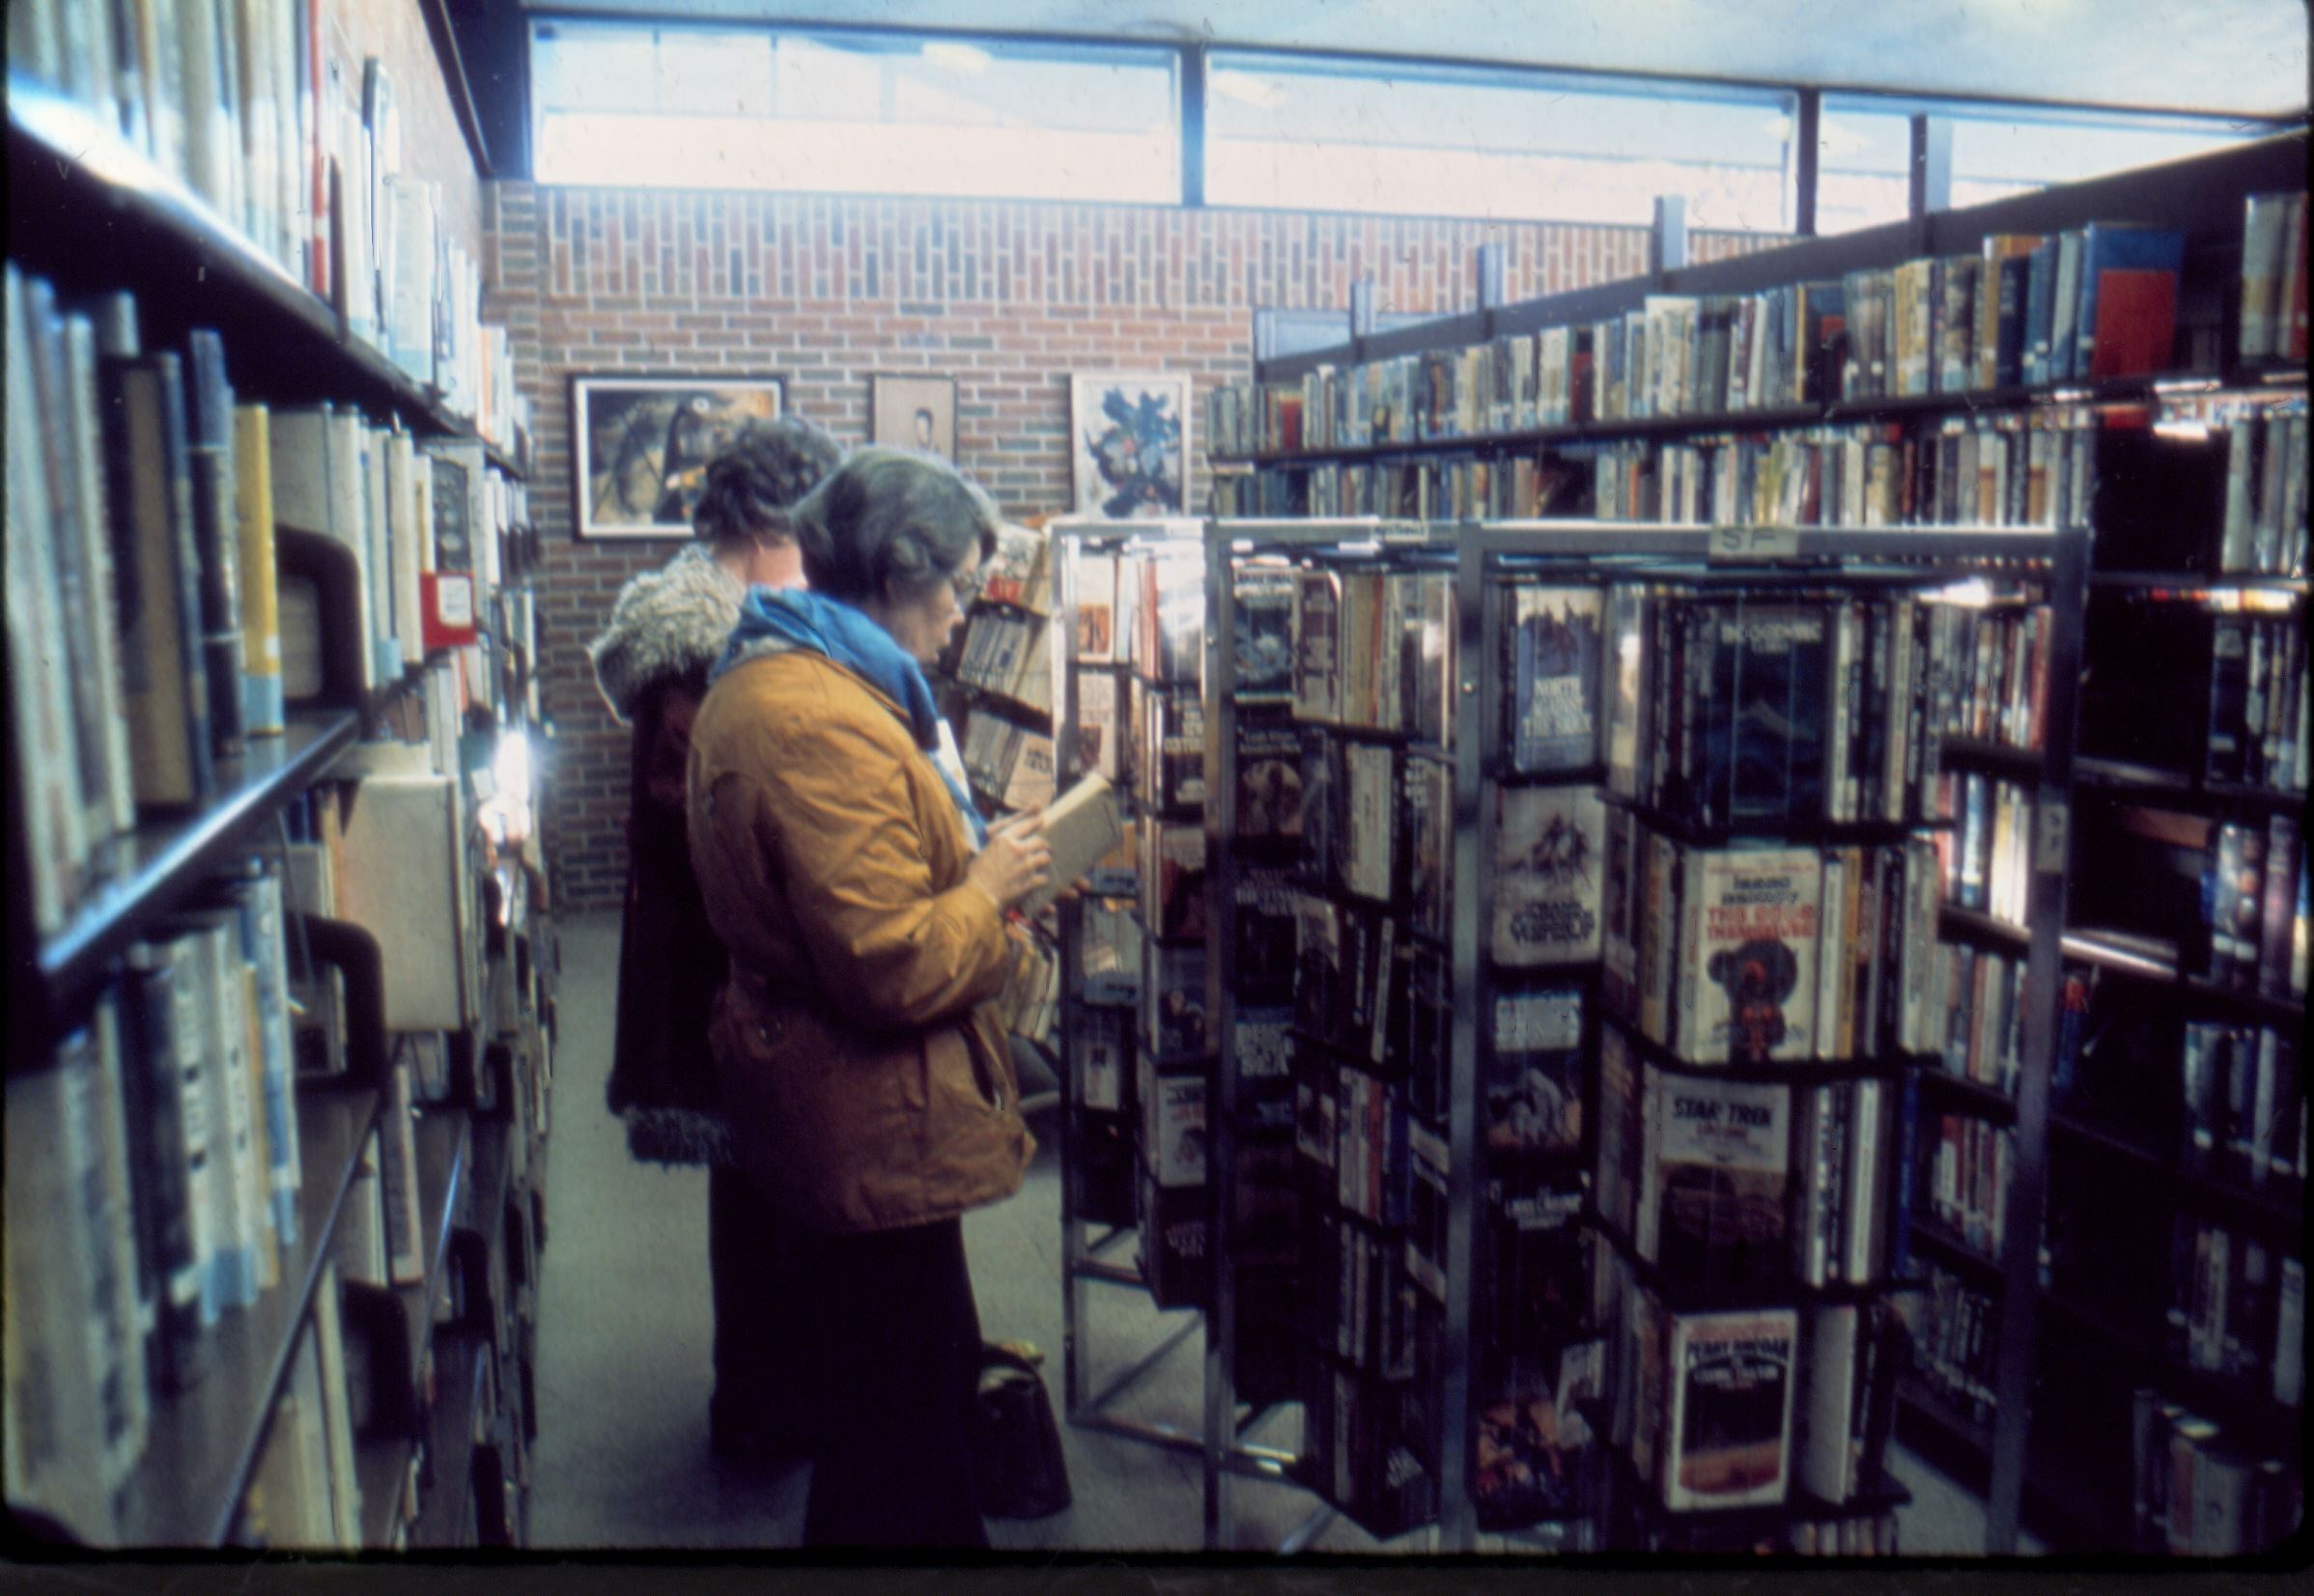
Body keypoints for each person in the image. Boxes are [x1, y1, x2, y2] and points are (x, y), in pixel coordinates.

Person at [687, 448, 1061, 1547]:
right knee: (897, 1433)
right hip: (866, 1120)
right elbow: (890, 962)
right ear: (896, 574)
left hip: (849, 1117)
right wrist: (987, 895)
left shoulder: (796, 675)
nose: (960, 615)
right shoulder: (820, 723)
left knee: (902, 1403)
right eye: (952, 584)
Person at [586, 415, 845, 1464]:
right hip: (721, 962)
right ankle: (759, 1407)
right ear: (763, 529)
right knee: (759, 1185)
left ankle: (767, 1394)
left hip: (725, 950)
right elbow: (686, 812)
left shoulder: (715, 623)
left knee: (762, 1185)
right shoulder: (700, 644)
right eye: (804, 541)